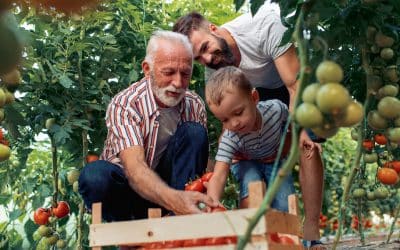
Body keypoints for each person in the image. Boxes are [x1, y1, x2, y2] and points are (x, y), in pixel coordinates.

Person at [173, 4, 325, 249]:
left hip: (290, 83)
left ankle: (312, 231)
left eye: (205, 48)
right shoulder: (214, 70)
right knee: (245, 159)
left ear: (213, 29)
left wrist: (301, 130)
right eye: (198, 59)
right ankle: (261, 236)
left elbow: (295, 86)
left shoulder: (264, 26)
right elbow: (227, 121)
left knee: (308, 142)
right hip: (250, 97)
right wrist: (222, 164)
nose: (208, 59)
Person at [78, 30, 217, 222]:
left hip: (174, 192)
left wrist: (213, 185)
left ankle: (182, 224)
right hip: (130, 193)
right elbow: (135, 170)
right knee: (94, 177)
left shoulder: (194, 104)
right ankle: (126, 233)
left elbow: (197, 161)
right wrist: (177, 200)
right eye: (168, 72)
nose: (178, 83)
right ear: (147, 69)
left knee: (194, 132)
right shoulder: (126, 104)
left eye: (185, 74)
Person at [205, 66, 294, 211]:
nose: (234, 123)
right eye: (224, 120)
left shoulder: (276, 110)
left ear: (254, 98)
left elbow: (293, 123)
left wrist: (293, 141)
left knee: (284, 203)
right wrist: (212, 202)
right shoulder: (230, 137)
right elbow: (219, 175)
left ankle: (286, 233)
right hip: (245, 162)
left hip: (274, 159)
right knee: (252, 188)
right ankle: (249, 229)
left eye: (238, 113)